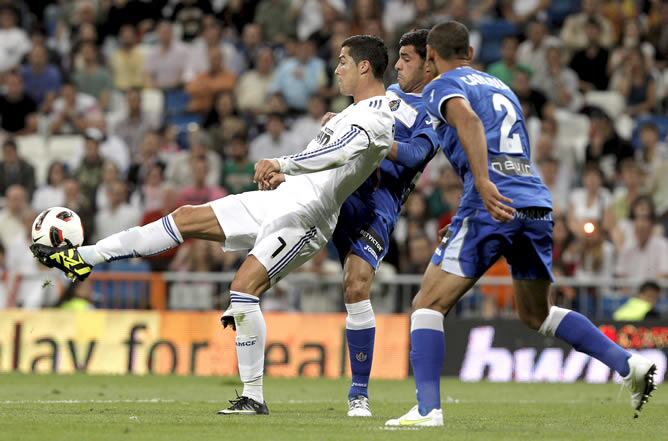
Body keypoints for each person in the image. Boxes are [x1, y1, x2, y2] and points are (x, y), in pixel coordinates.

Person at [30, 35, 394, 416]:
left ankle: (253, 396)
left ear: (364, 66)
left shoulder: (375, 116)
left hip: (306, 217)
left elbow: (336, 155)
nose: (337, 69)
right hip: (281, 199)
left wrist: (283, 164)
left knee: (243, 289)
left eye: (343, 62)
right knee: (185, 216)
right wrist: (285, 175)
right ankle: (83, 258)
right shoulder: (349, 114)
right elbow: (324, 161)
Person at [385, 21, 657, 427]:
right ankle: (628, 363)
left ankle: (427, 411)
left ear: (432, 59)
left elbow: (471, 125)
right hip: (534, 204)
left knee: (427, 303)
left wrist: (481, 187)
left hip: (490, 204)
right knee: (537, 314)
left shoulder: (444, 84)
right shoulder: (500, 87)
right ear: (471, 53)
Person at [328, 29, 439, 417]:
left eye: (407, 58)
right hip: (345, 190)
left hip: (379, 203)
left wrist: (373, 139)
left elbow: (414, 154)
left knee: (356, 285)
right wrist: (339, 124)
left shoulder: (437, 107)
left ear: (429, 63)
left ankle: (358, 393)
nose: (397, 64)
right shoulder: (386, 94)